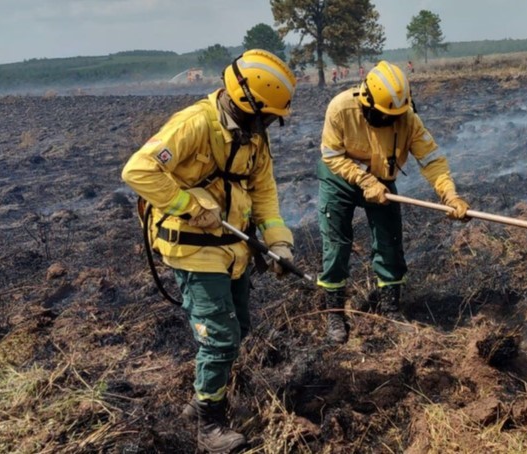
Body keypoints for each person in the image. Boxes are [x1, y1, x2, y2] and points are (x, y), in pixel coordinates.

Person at [121, 49, 297, 453]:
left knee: (239, 329)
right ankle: (209, 426)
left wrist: (278, 242)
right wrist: (188, 204)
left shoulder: (254, 137)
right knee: (220, 338)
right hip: (192, 249)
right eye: (266, 116)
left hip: (233, 248)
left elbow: (264, 192)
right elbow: (138, 170)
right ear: (246, 103)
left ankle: (201, 396)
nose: (268, 125)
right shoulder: (195, 124)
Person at [317, 61, 470, 344]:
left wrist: (450, 194)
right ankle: (334, 312)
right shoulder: (340, 109)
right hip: (339, 177)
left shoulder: (408, 120)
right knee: (337, 244)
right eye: (382, 116)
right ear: (366, 101)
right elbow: (332, 155)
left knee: (390, 240)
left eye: (394, 117)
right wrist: (364, 180)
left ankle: (390, 307)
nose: (389, 122)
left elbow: (432, 160)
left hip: (382, 179)